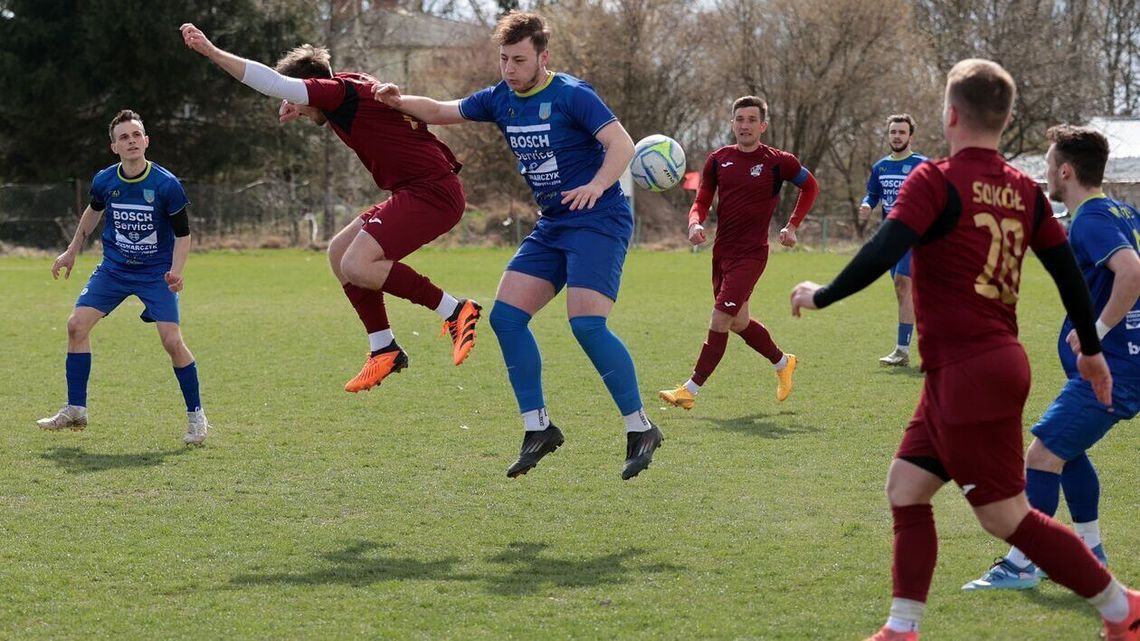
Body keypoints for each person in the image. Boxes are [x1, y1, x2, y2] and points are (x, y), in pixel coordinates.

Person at [789, 59, 1140, 641]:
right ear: (1003, 120)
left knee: (1006, 517)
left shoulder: (936, 179)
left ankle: (1120, 606)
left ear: (950, 114)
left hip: (968, 370)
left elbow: (885, 247)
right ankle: (902, 627)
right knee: (907, 486)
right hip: (981, 366)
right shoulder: (1025, 189)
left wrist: (822, 295)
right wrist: (1094, 348)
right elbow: (1068, 278)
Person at [372, 11, 664, 480]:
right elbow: (441, 110)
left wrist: (596, 184)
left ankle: (639, 427)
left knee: (587, 325)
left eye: (519, 60)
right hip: (553, 224)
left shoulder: (573, 94)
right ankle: (538, 428)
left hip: (598, 220)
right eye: (504, 59)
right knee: (506, 318)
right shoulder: (500, 99)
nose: (509, 69)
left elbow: (622, 145)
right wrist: (396, 100)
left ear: (543, 58)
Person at [180, 23, 482, 394]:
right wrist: (297, 102)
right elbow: (308, 93)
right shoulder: (345, 89)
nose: (302, 112)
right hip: (415, 189)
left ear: (313, 89)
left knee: (358, 264)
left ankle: (454, 310)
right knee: (340, 254)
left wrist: (212, 52)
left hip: (433, 192)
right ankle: (383, 347)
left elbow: (272, 82)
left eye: (301, 100)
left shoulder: (336, 92)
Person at [962, 124, 1140, 591]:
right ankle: (1092, 549)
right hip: (1122, 364)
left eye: (1046, 166)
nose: (1044, 175)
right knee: (1068, 452)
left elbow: (1132, 273)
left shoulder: (1091, 218)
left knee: (1040, 457)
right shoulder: (1124, 211)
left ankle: (1025, 562)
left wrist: (1096, 334)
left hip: (1113, 369)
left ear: (1065, 169)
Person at [37, 110, 210, 445]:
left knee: (172, 342)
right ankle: (76, 409)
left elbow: (183, 234)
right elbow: (93, 211)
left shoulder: (166, 185)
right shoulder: (105, 180)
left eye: (136, 135)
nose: (131, 141)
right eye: (123, 137)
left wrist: (176, 272)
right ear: (114, 146)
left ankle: (196, 417)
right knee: (76, 326)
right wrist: (72, 250)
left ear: (146, 141)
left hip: (154, 273)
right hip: (114, 269)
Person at [658, 95, 817, 410]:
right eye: (739, 120)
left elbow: (810, 186)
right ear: (732, 123)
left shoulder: (778, 161)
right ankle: (783, 363)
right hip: (722, 254)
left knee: (719, 319)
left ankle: (689, 390)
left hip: (751, 255)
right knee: (738, 322)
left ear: (763, 126)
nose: (745, 126)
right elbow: (702, 199)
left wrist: (792, 225)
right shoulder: (718, 159)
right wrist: (693, 224)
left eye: (751, 120)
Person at [859, 114, 927, 367]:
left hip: (915, 237)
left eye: (901, 132)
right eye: (893, 132)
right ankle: (905, 351)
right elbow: (872, 194)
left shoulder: (922, 165)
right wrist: (866, 205)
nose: (896, 136)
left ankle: (906, 350)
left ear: (911, 136)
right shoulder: (881, 167)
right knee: (905, 293)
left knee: (903, 284)